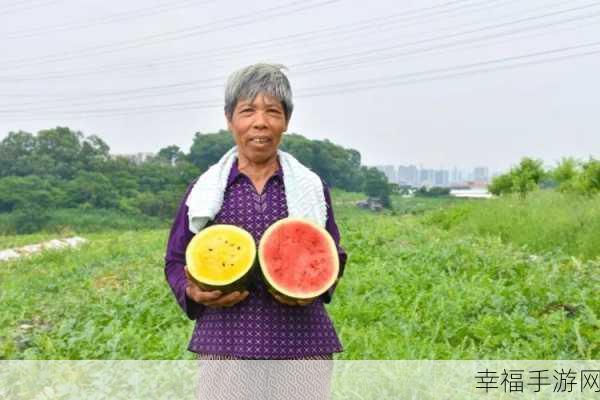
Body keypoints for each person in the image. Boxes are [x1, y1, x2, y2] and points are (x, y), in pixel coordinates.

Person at [164, 63, 347, 397]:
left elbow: (331, 255)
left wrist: (312, 289)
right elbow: (176, 261)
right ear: (230, 119)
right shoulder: (204, 190)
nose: (260, 122)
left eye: (273, 112)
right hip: (226, 344)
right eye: (247, 111)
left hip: (302, 343)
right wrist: (192, 292)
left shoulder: (310, 187)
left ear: (286, 121)